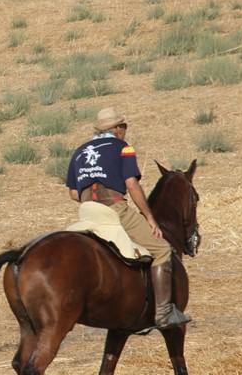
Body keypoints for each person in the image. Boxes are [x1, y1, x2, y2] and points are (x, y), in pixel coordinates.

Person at [66, 108, 191, 329]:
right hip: (115, 209)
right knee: (162, 250)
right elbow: (132, 185)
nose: (125, 130)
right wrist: (149, 217)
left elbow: (74, 193)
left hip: (87, 211)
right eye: (123, 126)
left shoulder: (79, 151)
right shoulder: (123, 148)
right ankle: (163, 313)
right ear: (116, 129)